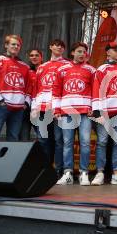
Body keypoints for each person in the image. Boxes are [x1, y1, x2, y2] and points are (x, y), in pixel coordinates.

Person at [90, 42, 117, 186]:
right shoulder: (102, 69)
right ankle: (100, 172)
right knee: (102, 142)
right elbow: (96, 89)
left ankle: (116, 173)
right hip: (105, 113)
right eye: (115, 50)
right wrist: (97, 111)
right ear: (108, 52)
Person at [53, 42, 95, 186]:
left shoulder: (91, 70)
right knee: (67, 143)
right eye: (79, 51)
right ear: (72, 53)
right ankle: (68, 173)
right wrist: (57, 109)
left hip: (84, 112)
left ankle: (84, 173)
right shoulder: (62, 69)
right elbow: (56, 90)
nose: (82, 54)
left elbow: (95, 91)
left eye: (84, 52)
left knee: (85, 142)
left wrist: (93, 108)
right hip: (66, 112)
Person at [0, 34, 31, 141]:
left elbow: (29, 87)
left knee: (13, 139)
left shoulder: (25, 66)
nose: (16, 47)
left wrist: (25, 103)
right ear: (6, 45)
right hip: (0, 106)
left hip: (18, 109)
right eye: (13, 44)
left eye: (18, 45)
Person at [31, 39, 70, 177]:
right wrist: (34, 108)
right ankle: (44, 170)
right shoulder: (42, 67)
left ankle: (58, 170)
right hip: (42, 108)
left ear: (64, 50)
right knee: (43, 140)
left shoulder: (68, 65)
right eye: (56, 45)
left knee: (59, 140)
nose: (59, 47)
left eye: (62, 46)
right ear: (50, 47)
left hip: (58, 109)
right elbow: (36, 89)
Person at [20, 49, 43, 141]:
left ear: (41, 57)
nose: (34, 57)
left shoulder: (46, 71)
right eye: (32, 55)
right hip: (26, 108)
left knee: (42, 138)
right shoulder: (27, 71)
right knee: (23, 137)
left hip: (40, 108)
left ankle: (43, 155)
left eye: (37, 55)